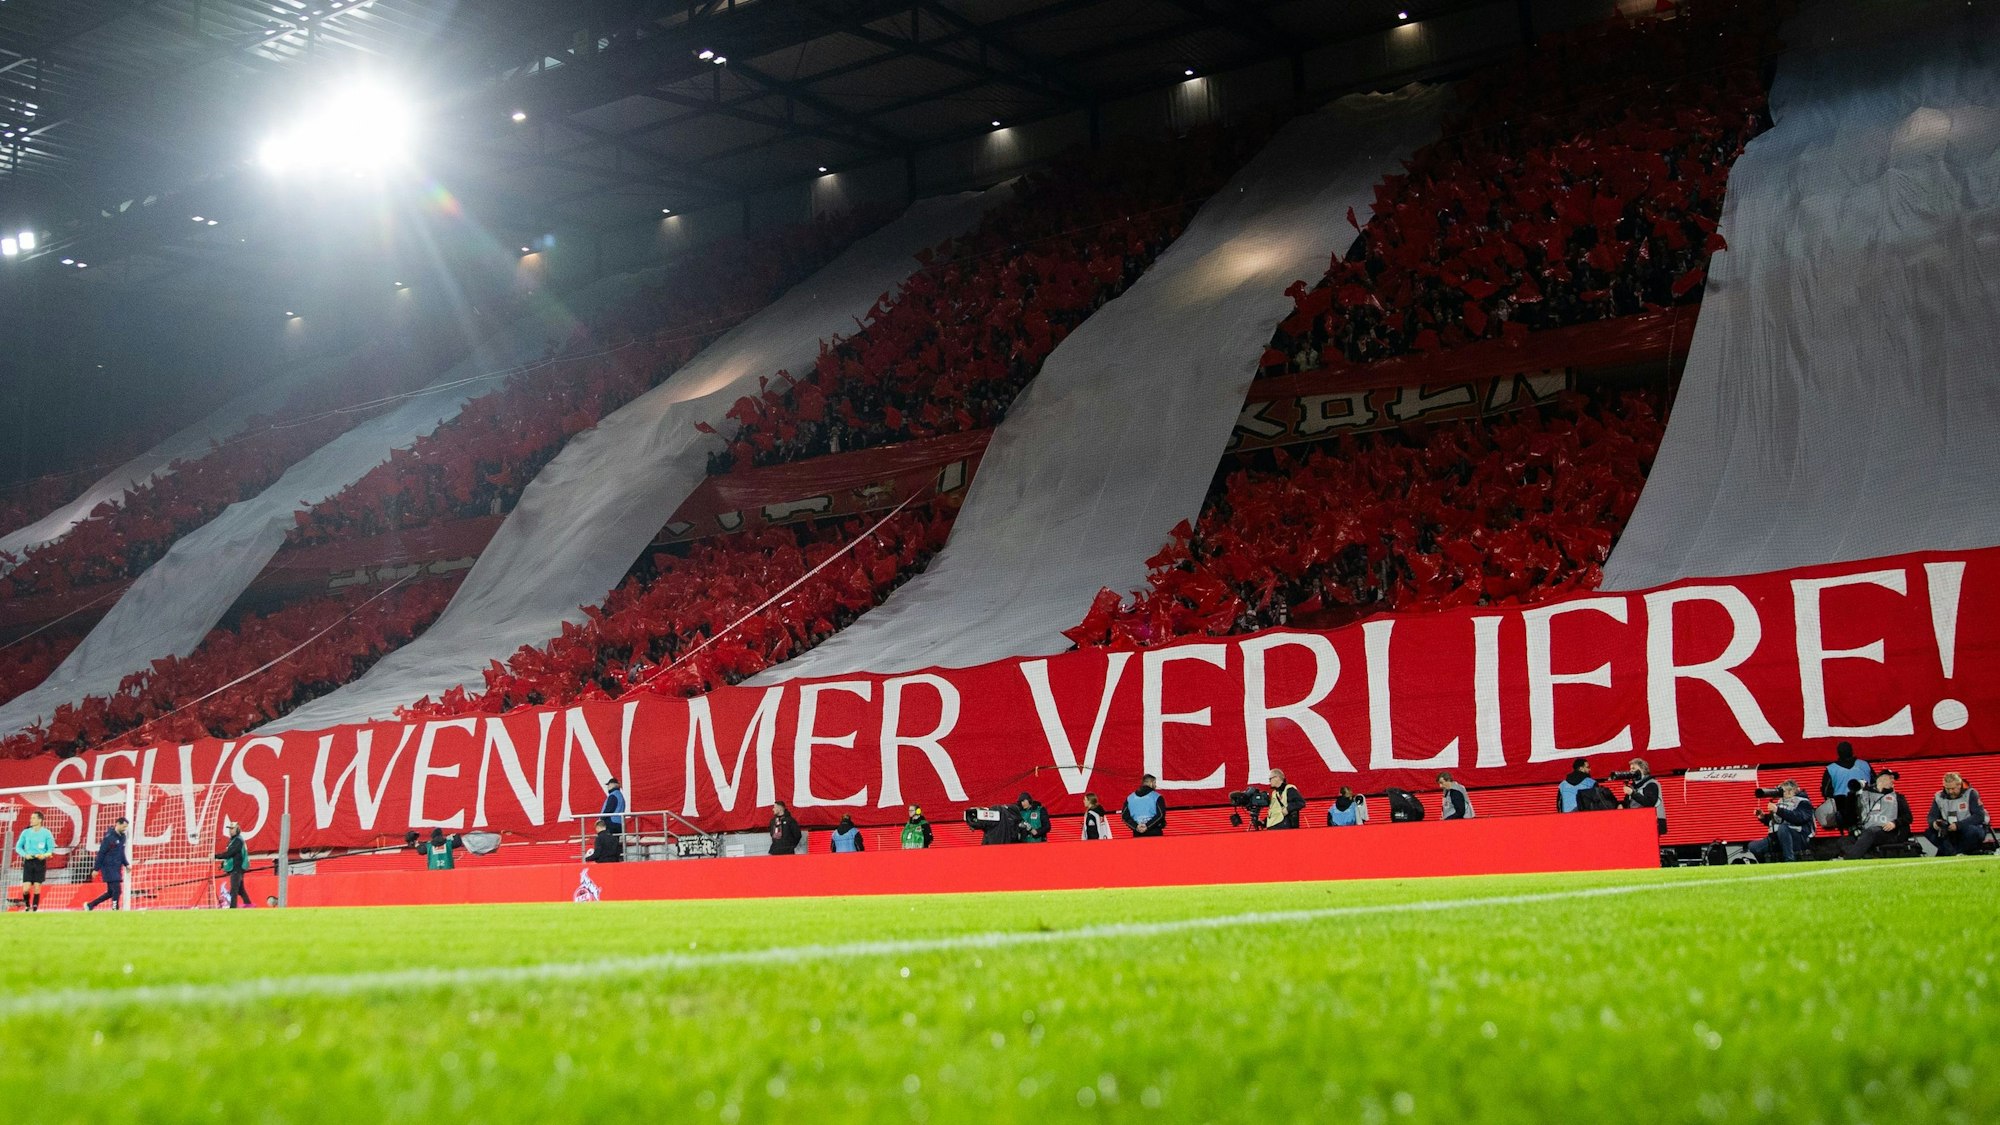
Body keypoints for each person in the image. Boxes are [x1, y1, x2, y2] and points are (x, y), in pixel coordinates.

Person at [1841, 770, 1912, 859]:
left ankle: (1849, 861)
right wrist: (1852, 793)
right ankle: (1868, 856)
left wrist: (1895, 823)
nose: (1893, 781)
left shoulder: (1897, 797)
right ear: (1880, 779)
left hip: (1887, 832)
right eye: (1890, 778)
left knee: (1870, 833)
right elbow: (1849, 814)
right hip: (1865, 831)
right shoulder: (1864, 794)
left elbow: (1908, 817)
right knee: (1843, 841)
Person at [1746, 780, 1816, 863]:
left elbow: (1799, 817)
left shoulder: (1803, 802)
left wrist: (1778, 810)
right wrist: (1763, 817)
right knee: (1754, 846)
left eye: (1783, 791)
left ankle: (1789, 861)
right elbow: (1778, 821)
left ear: (1791, 791)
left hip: (1799, 837)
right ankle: (1767, 866)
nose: (1781, 793)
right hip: (1779, 837)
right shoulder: (1781, 801)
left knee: (1783, 828)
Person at [1926, 773, 1990, 857]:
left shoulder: (1971, 793)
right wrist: (1934, 824)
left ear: (1959, 785)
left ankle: (1954, 852)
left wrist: (1958, 825)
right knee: (1929, 832)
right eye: (1947, 788)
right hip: (1949, 830)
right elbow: (1931, 816)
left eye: (1953, 788)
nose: (1950, 792)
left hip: (1970, 827)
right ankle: (1955, 854)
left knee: (1972, 832)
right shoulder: (1938, 796)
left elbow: (1979, 816)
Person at [1820, 742, 1873, 831]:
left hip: (1843, 807)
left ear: (1838, 753)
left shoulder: (1831, 768)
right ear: (1852, 751)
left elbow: (1826, 791)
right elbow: (1875, 783)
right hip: (1867, 804)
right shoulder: (1864, 764)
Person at [86, 816, 130, 911]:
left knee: (111, 892)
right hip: (108, 867)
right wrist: (96, 869)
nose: (125, 829)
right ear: (117, 824)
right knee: (117, 890)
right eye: (124, 826)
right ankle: (115, 909)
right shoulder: (109, 838)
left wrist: (126, 864)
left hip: (117, 867)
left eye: (126, 827)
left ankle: (90, 905)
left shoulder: (122, 837)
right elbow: (101, 853)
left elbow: (121, 852)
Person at [13, 811, 54, 912]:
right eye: (31, 818)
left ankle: (34, 909)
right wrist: (25, 855)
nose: (31, 820)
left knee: (37, 887)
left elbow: (50, 850)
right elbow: (18, 847)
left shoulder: (46, 833)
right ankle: (27, 905)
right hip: (29, 862)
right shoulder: (25, 832)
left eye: (34, 818)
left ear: (40, 820)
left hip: (40, 862)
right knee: (26, 889)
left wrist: (43, 855)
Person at [1620, 758, 1666, 835]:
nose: (1631, 771)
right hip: (1637, 821)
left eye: (1634, 768)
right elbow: (1628, 804)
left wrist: (1632, 793)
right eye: (1630, 769)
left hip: (1653, 821)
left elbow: (1649, 803)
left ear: (1643, 770)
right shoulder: (1633, 786)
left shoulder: (1651, 784)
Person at [215, 822, 251, 908]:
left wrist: (216, 856)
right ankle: (249, 906)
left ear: (237, 830)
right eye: (229, 829)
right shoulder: (234, 840)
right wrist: (223, 864)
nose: (230, 831)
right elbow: (232, 856)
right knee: (240, 890)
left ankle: (233, 908)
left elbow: (230, 853)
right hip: (237, 868)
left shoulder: (238, 841)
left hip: (237, 868)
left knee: (234, 890)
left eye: (232, 829)